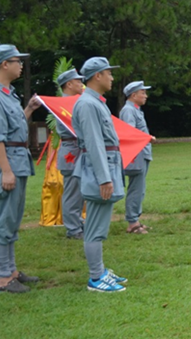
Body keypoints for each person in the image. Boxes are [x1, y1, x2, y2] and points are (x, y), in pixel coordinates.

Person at [0, 44, 42, 293]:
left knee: (13, 219)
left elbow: (13, 127)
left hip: (18, 161)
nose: (21, 65)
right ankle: (3, 278)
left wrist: (29, 109)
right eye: (17, 61)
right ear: (5, 64)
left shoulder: (7, 93)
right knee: (3, 220)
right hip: (9, 163)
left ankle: (12, 271)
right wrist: (5, 170)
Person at [71, 57, 128, 293]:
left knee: (100, 224)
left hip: (106, 166)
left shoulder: (95, 102)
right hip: (98, 170)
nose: (111, 78)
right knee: (95, 226)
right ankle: (95, 277)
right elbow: (94, 143)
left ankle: (101, 270)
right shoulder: (87, 104)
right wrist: (104, 178)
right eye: (108, 73)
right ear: (97, 76)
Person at [120, 81, 156, 234]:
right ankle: (132, 223)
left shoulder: (135, 109)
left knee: (139, 188)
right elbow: (129, 133)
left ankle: (135, 219)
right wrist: (147, 138)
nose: (145, 96)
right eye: (143, 93)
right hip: (137, 154)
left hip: (142, 153)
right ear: (133, 95)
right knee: (136, 188)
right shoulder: (129, 110)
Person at [56, 68, 86, 240]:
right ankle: (73, 228)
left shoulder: (75, 102)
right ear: (69, 84)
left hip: (77, 149)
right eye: (78, 81)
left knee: (79, 190)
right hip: (72, 150)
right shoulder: (63, 105)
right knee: (72, 191)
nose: (81, 84)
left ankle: (77, 223)